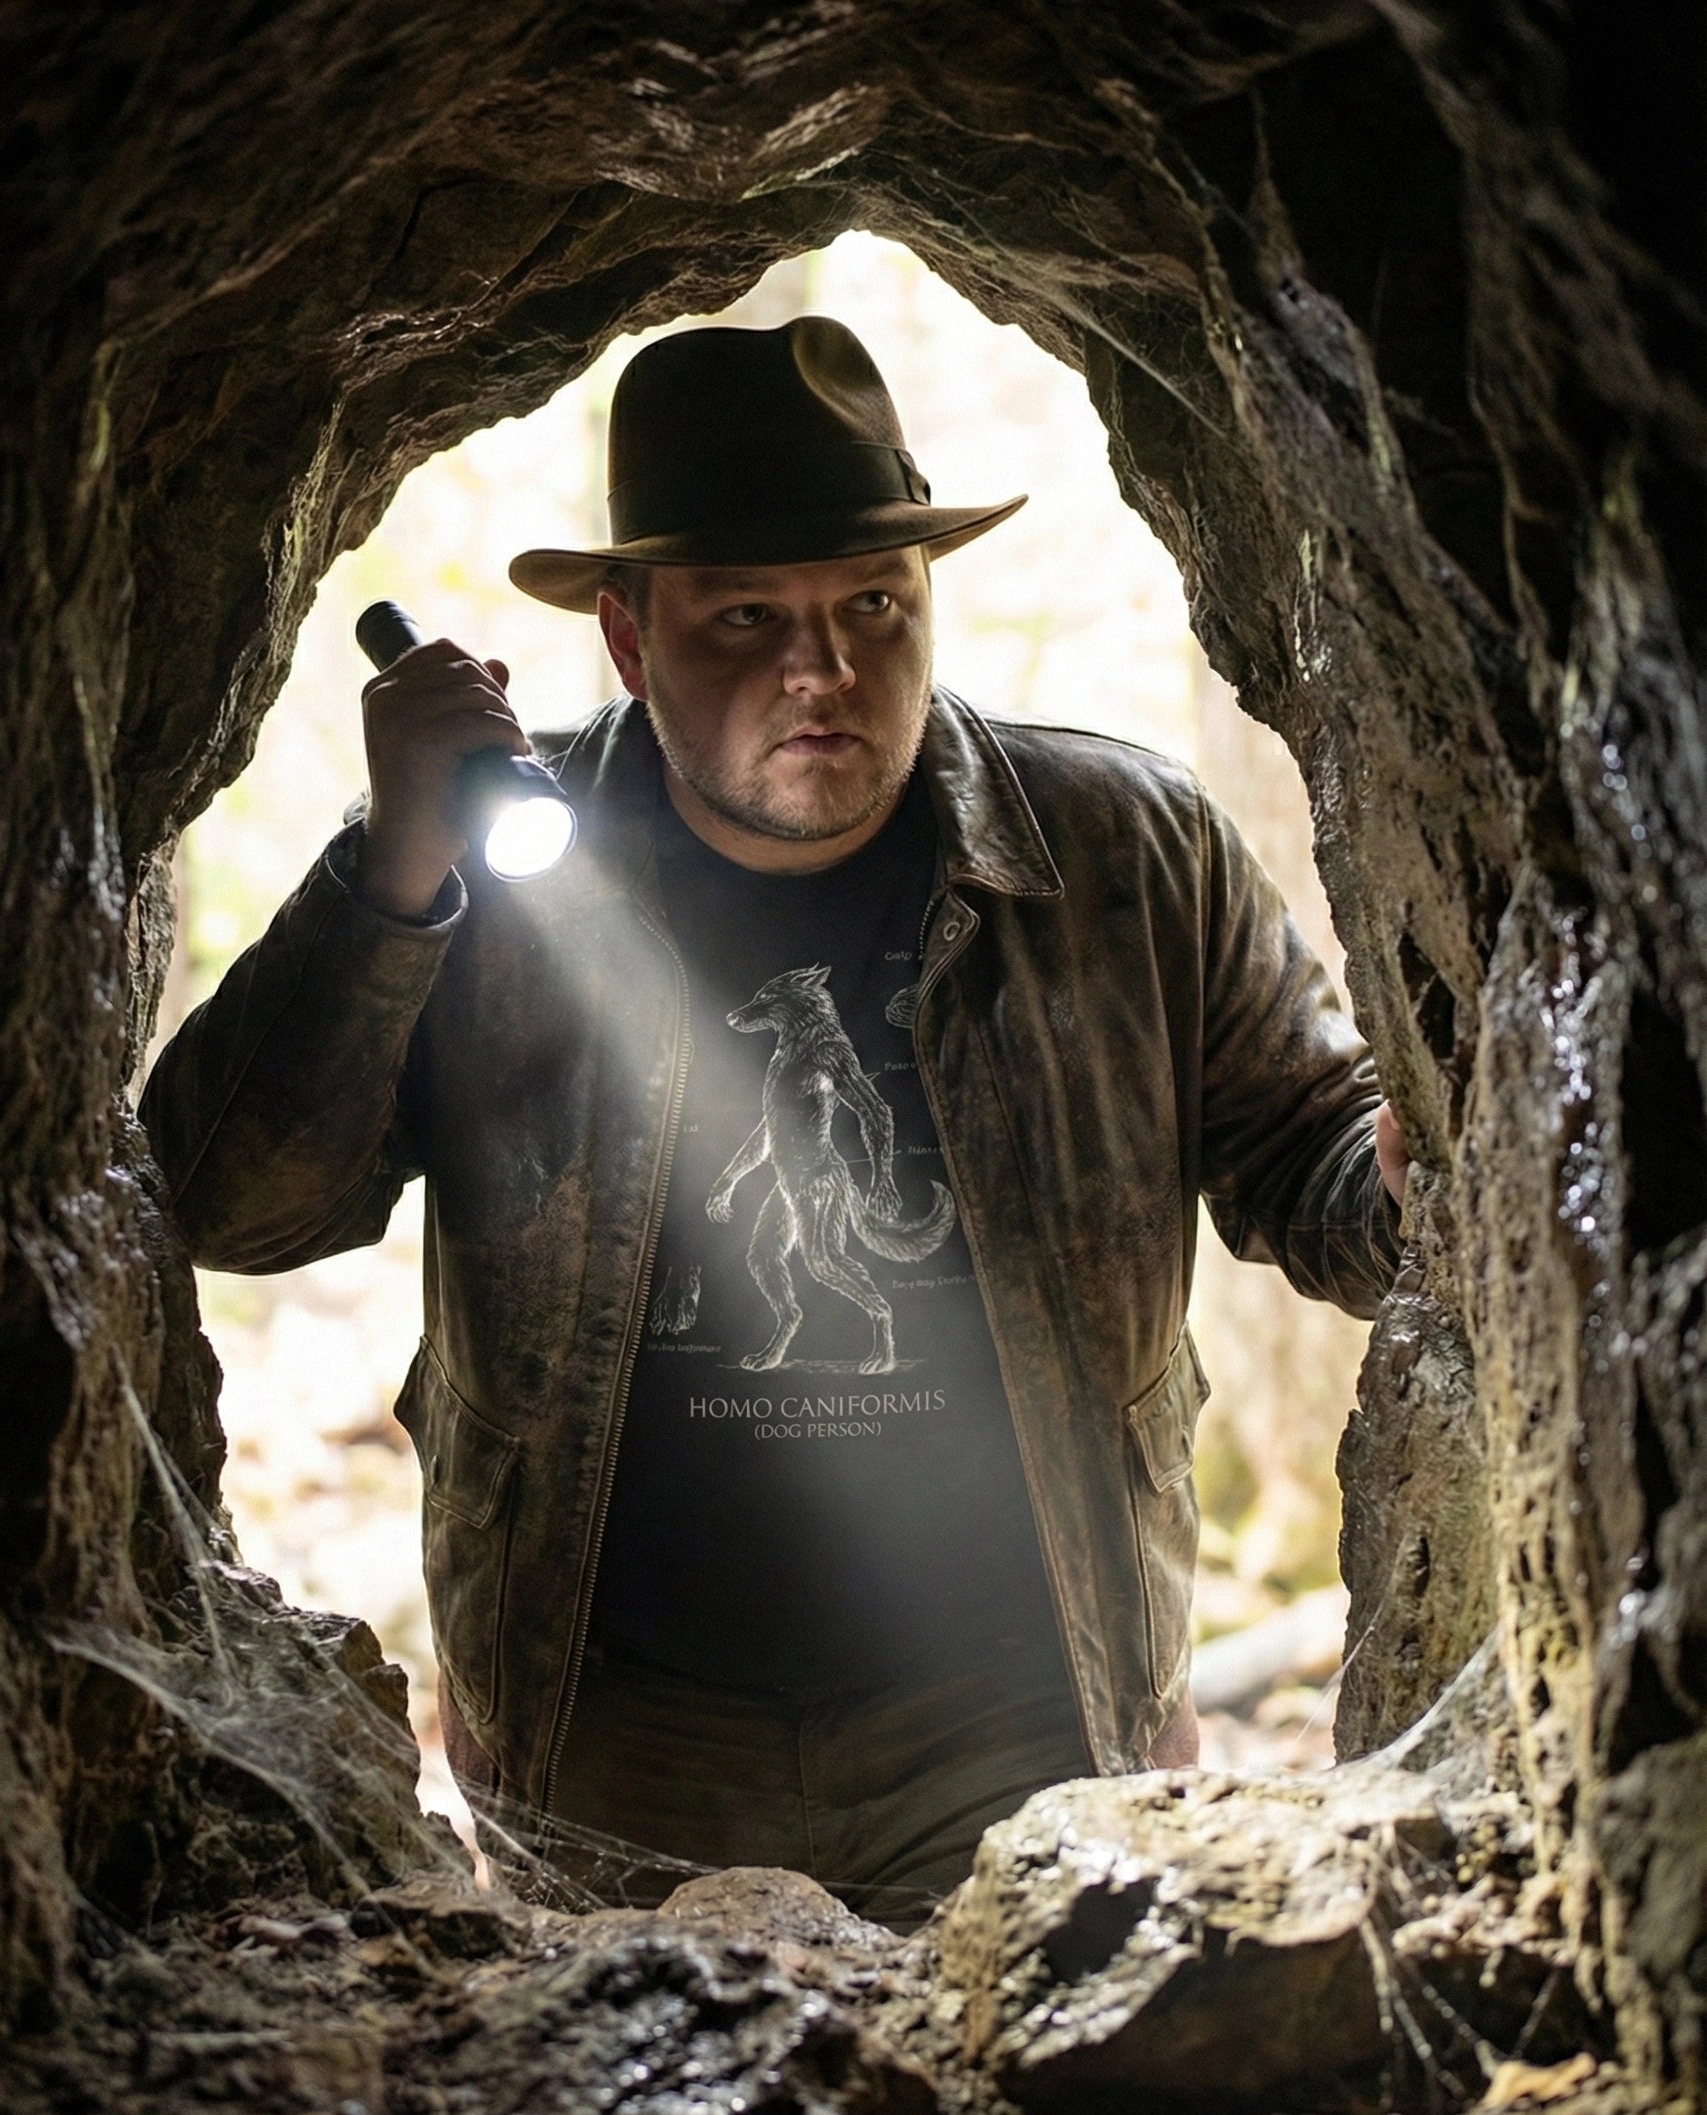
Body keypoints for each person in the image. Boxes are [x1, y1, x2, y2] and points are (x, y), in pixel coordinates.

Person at [141, 317, 1408, 1925]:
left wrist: (1414, 1163)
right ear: (626, 636)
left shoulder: (1124, 854)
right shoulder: (476, 879)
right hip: (619, 1738)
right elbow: (226, 1208)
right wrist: (389, 882)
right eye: (748, 616)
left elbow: (1323, 1168)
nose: (824, 670)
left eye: (872, 605)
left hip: (1026, 1714)